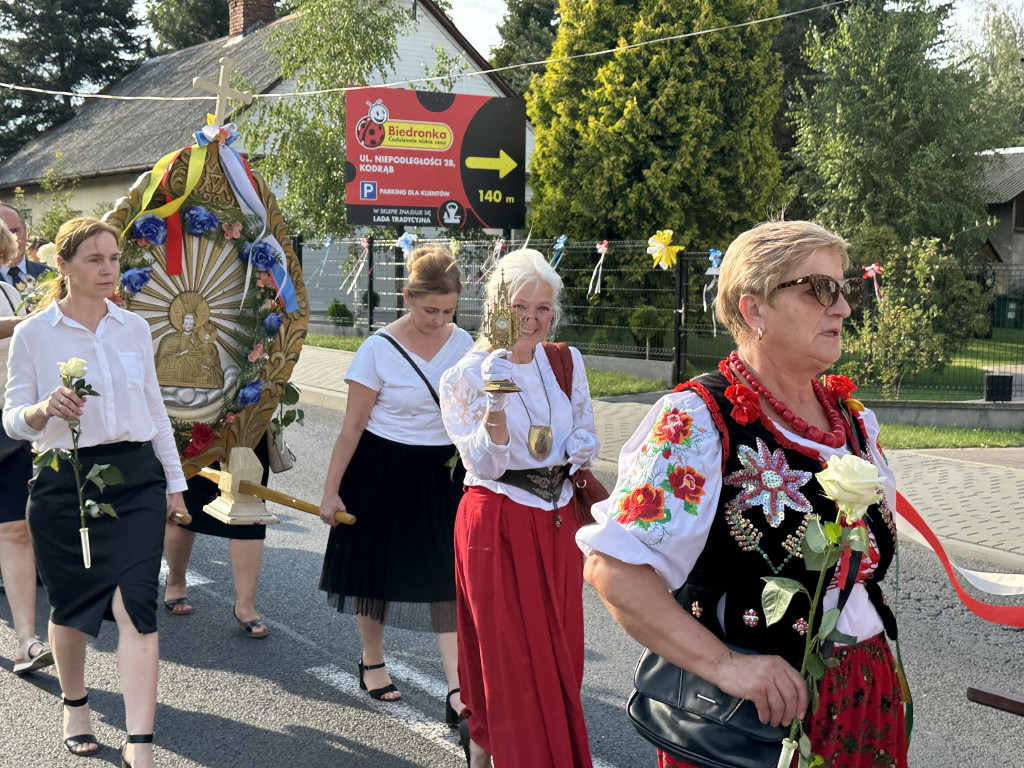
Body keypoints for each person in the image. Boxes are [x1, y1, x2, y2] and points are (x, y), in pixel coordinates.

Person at [578, 220, 907, 768]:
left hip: (861, 697)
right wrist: (727, 666)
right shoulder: (697, 422)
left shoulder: (850, 419)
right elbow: (614, 571)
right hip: (750, 721)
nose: (844, 307)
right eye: (819, 289)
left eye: (843, 288)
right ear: (754, 309)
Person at [4, 217, 187, 768]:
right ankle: (75, 704)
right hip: (65, 478)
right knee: (72, 605)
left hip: (135, 479)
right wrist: (43, 409)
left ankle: (140, 743)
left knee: (137, 606)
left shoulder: (134, 327)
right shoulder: (32, 334)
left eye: (113, 258)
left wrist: (175, 484)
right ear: (63, 267)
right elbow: (12, 419)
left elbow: (155, 410)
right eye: (94, 260)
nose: (109, 269)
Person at [439, 248, 600, 768]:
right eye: (520, 307)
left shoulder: (564, 360)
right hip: (500, 518)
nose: (532, 320)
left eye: (543, 309)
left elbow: (585, 428)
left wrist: (580, 447)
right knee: (504, 655)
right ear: (496, 306)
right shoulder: (464, 375)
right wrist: (497, 406)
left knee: (560, 653)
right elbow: (484, 465)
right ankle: (490, 754)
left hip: (557, 519)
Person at [319, 245, 472, 720]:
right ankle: (372, 660)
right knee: (376, 571)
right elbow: (352, 429)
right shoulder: (376, 350)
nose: (439, 319)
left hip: (443, 474)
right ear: (407, 297)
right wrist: (330, 490)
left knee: (448, 576)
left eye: (448, 310)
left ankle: (456, 689)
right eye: (430, 310)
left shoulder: (464, 344)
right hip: (382, 468)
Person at [0, 219, 53, 675]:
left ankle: (26, 641)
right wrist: (29, 322)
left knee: (16, 530)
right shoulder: (19, 311)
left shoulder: (12, 292)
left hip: (5, 432)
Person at [162, 433, 272, 638]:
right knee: (187, 503)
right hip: (198, 415)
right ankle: (176, 581)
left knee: (249, 511)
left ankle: (245, 606)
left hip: (250, 421)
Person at [0, 204, 51, 285]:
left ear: (26, 230)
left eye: (14, 230)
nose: (11, 238)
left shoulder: (48, 275)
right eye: (3, 233)